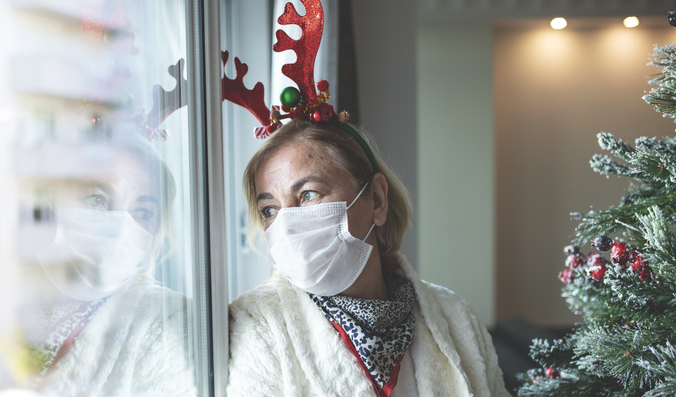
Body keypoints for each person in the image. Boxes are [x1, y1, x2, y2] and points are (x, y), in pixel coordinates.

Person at [227, 119, 509, 396]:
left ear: (376, 199)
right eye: (269, 210)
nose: (287, 225)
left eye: (309, 194)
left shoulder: (457, 319)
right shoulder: (258, 327)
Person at [26, 128, 196, 396]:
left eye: (142, 211)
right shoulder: (6, 300)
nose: (119, 225)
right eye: (97, 199)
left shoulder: (168, 320)